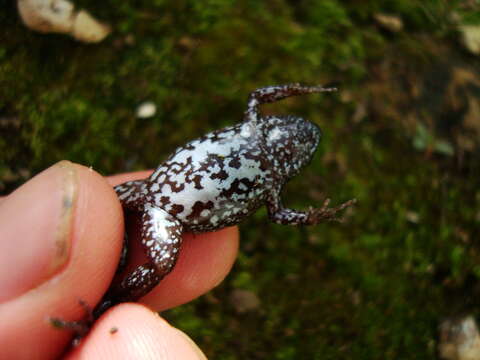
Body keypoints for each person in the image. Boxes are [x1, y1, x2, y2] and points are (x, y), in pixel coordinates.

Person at [0, 161, 239, 359]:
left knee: (157, 262)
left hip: (156, 203)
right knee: (111, 205)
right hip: (152, 201)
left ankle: (108, 304)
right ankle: (106, 305)